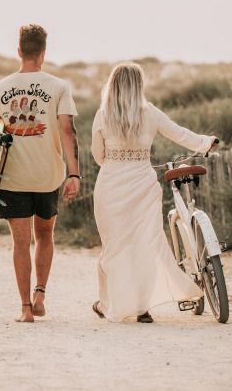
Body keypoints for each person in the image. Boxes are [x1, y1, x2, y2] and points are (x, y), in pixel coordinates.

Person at [91, 62, 217, 323]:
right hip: (143, 186)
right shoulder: (150, 113)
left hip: (110, 187)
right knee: (145, 245)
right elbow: (179, 133)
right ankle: (142, 309)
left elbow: (98, 156)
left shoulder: (102, 115)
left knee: (114, 246)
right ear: (139, 85)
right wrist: (205, 142)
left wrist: (117, 160)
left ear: (113, 85)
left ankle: (107, 304)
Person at [0, 24, 80, 323]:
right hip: (49, 176)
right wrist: (74, 174)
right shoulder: (59, 86)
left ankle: (25, 310)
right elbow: (68, 130)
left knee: (20, 243)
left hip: (12, 178)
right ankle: (40, 295)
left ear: (19, 51)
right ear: (43, 53)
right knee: (45, 235)